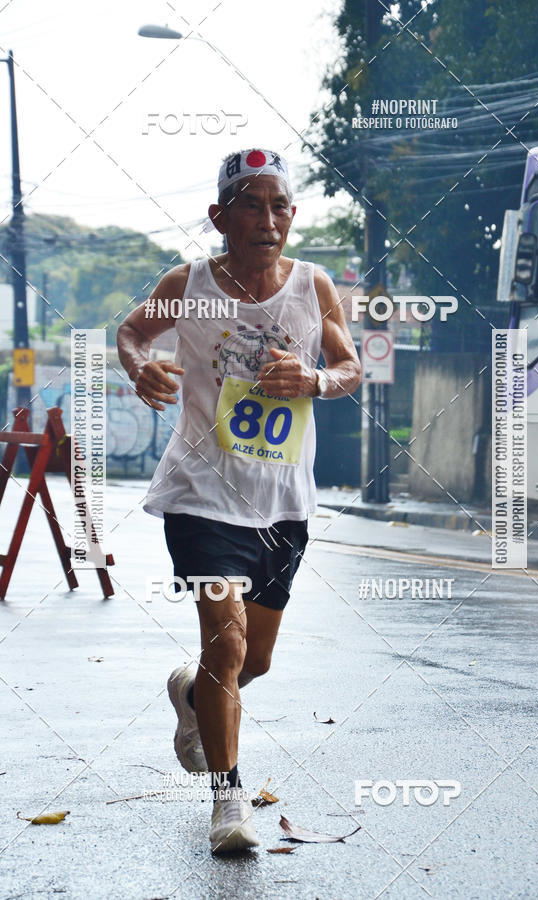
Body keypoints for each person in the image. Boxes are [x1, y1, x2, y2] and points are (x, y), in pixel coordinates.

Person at [116, 148, 361, 853]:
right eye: (251, 206)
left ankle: (192, 695)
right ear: (220, 217)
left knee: (252, 662)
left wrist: (314, 380)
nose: (268, 220)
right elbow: (132, 332)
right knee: (225, 643)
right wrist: (140, 367)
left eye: (279, 206)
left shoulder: (313, 286)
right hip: (201, 492)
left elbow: (348, 366)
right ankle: (229, 803)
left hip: (283, 502)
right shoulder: (188, 284)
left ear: (292, 215)